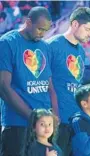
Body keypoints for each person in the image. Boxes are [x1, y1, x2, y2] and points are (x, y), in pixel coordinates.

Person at [0, 6, 54, 155]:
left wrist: (51, 116)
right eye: (40, 29)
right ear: (28, 22)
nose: (43, 34)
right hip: (17, 125)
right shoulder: (7, 43)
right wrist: (33, 118)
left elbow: (49, 86)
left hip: (43, 126)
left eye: (46, 31)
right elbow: (3, 88)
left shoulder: (44, 47)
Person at [46, 7, 90, 155]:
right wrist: (53, 115)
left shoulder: (81, 51)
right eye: (88, 29)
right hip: (55, 121)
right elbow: (43, 82)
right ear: (75, 24)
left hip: (75, 122)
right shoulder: (52, 45)